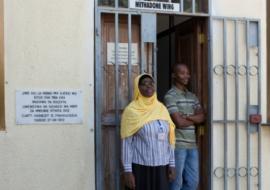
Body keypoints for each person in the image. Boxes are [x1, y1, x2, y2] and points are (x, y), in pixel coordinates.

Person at [121, 73, 176, 190]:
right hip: (141, 167)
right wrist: (127, 171)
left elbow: (170, 138)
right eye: (144, 84)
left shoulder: (161, 108)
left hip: (162, 166)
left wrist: (172, 163)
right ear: (138, 88)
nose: (148, 86)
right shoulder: (131, 110)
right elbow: (127, 143)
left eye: (151, 83)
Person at [164, 64, 205, 190]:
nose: (186, 76)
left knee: (193, 183)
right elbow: (179, 123)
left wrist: (187, 117)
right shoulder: (170, 96)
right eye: (182, 73)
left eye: (187, 73)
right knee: (176, 183)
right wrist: (194, 118)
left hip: (192, 146)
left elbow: (202, 117)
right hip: (177, 146)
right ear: (174, 76)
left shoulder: (192, 96)